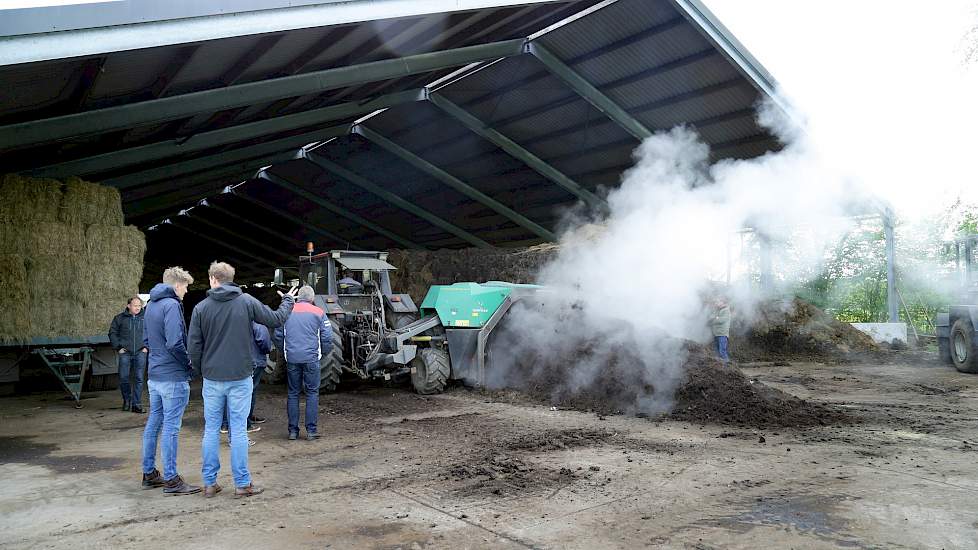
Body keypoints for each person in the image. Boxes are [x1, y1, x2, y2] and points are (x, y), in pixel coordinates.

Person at [188, 262, 296, 499]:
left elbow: (193, 346)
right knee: (238, 431)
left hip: (212, 377)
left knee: (212, 430)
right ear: (231, 279)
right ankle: (242, 484)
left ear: (213, 280)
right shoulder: (246, 302)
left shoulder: (201, 308)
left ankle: (209, 483)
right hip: (240, 377)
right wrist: (288, 300)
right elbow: (276, 319)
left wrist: (199, 371)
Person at [141, 267, 200, 495]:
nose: (186, 291)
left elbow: (146, 339)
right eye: (185, 287)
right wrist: (188, 364)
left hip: (154, 375)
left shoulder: (150, 306)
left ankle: (149, 472)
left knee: (154, 423)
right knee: (171, 429)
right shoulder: (172, 305)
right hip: (172, 376)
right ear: (177, 285)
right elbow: (175, 342)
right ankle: (172, 479)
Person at [273, 285, 332, 441]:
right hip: (312, 358)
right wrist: (322, 354)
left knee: (293, 393)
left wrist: (285, 352)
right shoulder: (319, 313)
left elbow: (278, 336)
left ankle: (293, 431)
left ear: (298, 297)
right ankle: (311, 431)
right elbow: (327, 338)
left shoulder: (286, 312)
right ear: (312, 298)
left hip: (292, 359)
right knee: (312, 393)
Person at [221, 322, 273, 445]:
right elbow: (265, 344)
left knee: (229, 394)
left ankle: (225, 424)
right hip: (254, 362)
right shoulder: (259, 326)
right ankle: (246, 424)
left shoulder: (233, 325)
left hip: (233, 363)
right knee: (248, 394)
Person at [109, 296, 147, 413]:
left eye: (139, 306)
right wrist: (118, 347)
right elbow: (112, 333)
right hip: (125, 352)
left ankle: (136, 404)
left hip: (141, 351)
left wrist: (147, 346)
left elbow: (153, 331)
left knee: (139, 379)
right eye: (135, 305)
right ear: (128, 306)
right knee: (124, 378)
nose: (137, 308)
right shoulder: (119, 318)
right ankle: (127, 401)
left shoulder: (145, 318)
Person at [710, 297, 732, 365]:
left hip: (722, 334)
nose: (717, 303)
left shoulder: (726, 310)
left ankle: (727, 366)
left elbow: (721, 320)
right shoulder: (719, 311)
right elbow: (713, 318)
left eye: (719, 302)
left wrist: (715, 318)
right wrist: (715, 318)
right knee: (717, 352)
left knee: (722, 351)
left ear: (723, 302)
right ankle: (720, 367)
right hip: (717, 334)